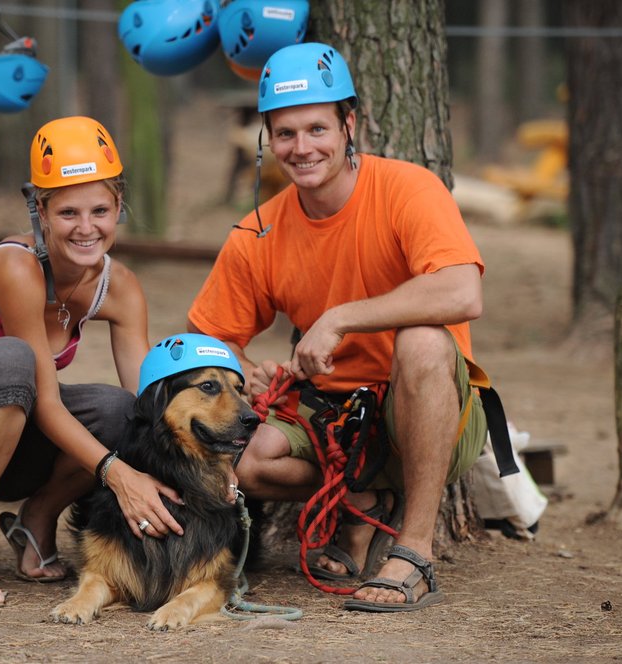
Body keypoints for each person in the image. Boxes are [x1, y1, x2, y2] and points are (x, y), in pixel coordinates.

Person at [187, 42, 502, 612]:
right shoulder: (258, 232)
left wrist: (340, 317)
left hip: (431, 412)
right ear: (267, 138)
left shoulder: (409, 188)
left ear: (348, 123)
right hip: (333, 415)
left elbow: (463, 291)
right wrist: (236, 373)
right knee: (241, 453)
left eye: (317, 129)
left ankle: (414, 552)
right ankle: (364, 496)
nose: (302, 148)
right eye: (285, 134)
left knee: (426, 341)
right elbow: (201, 342)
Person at [0, 116, 184, 608]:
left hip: (17, 440)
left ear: (119, 207)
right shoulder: (16, 267)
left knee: (122, 411)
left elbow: (147, 400)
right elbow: (45, 397)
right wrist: (120, 475)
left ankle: (38, 517)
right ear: (41, 211)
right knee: (13, 360)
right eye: (68, 212)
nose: (86, 227)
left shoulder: (121, 288)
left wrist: (204, 460)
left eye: (100, 210)